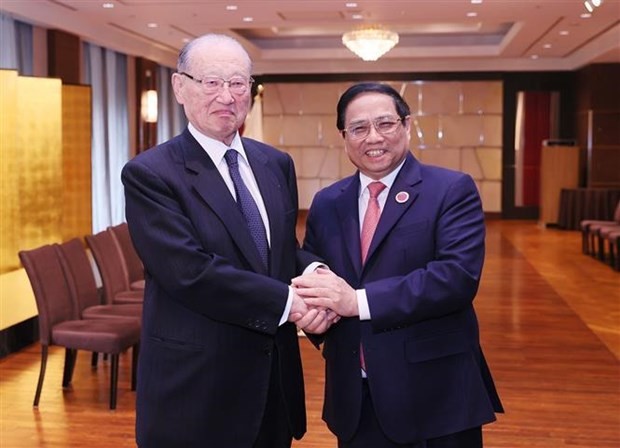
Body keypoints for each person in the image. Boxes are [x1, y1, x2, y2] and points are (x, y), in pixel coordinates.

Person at [121, 34, 327, 448]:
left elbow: (281, 249)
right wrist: (290, 304)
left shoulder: (275, 164)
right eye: (211, 82)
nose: (227, 96)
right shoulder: (151, 174)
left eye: (238, 83)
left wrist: (316, 277)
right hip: (197, 391)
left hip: (272, 385)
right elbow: (190, 272)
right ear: (180, 87)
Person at [292, 82, 503, 448]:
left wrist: (355, 302)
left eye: (385, 124)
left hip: (435, 396)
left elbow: (455, 278)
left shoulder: (450, 189)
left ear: (406, 125)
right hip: (355, 397)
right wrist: (316, 309)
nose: (373, 137)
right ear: (344, 136)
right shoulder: (328, 202)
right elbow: (312, 260)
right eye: (358, 128)